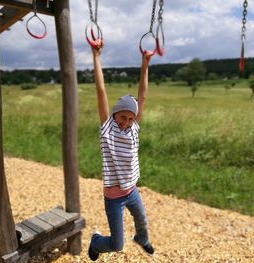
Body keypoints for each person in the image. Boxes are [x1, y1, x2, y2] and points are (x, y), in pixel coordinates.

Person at [88, 39, 155, 261]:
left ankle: (142, 239)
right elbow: (101, 90)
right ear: (115, 114)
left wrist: (145, 63)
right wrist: (96, 56)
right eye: (122, 116)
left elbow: (143, 95)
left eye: (130, 118)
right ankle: (96, 242)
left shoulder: (134, 127)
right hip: (114, 197)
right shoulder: (107, 128)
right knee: (117, 245)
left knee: (142, 221)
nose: (125, 121)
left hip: (132, 191)